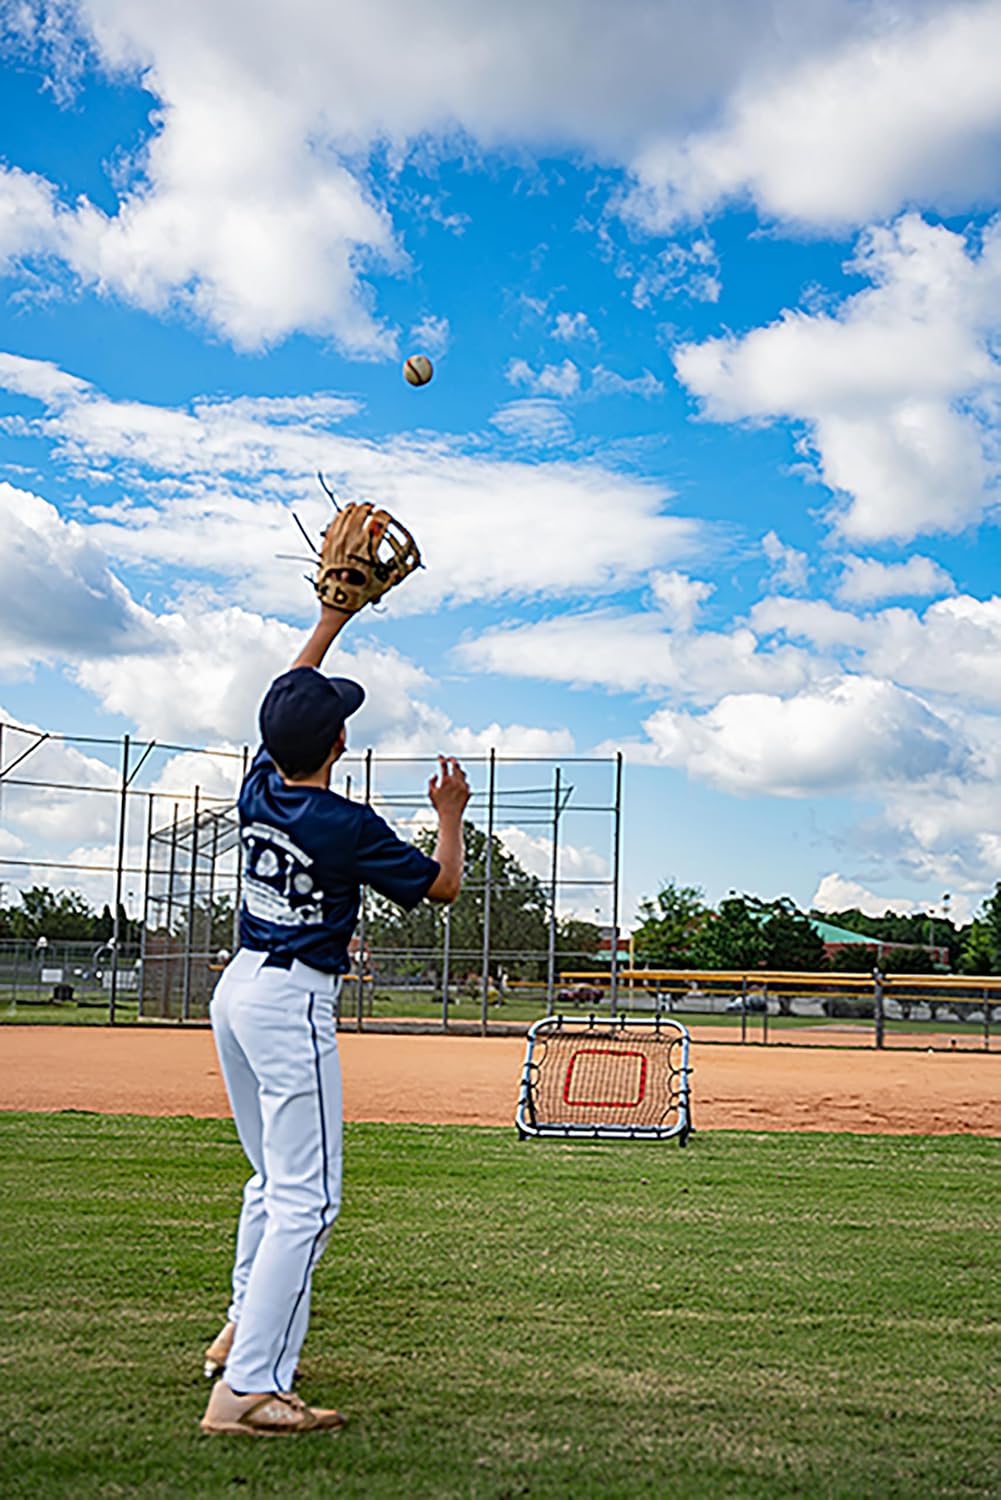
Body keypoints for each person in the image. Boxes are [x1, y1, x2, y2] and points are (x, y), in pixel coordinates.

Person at [200, 598, 469, 1436]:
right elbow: (442, 888)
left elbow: (289, 690)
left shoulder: (258, 785)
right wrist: (450, 817)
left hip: (237, 990)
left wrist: (328, 615)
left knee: (270, 1181)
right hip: (288, 1004)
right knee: (309, 1200)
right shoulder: (346, 824)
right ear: (341, 746)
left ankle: (241, 1329)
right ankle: (247, 1389)